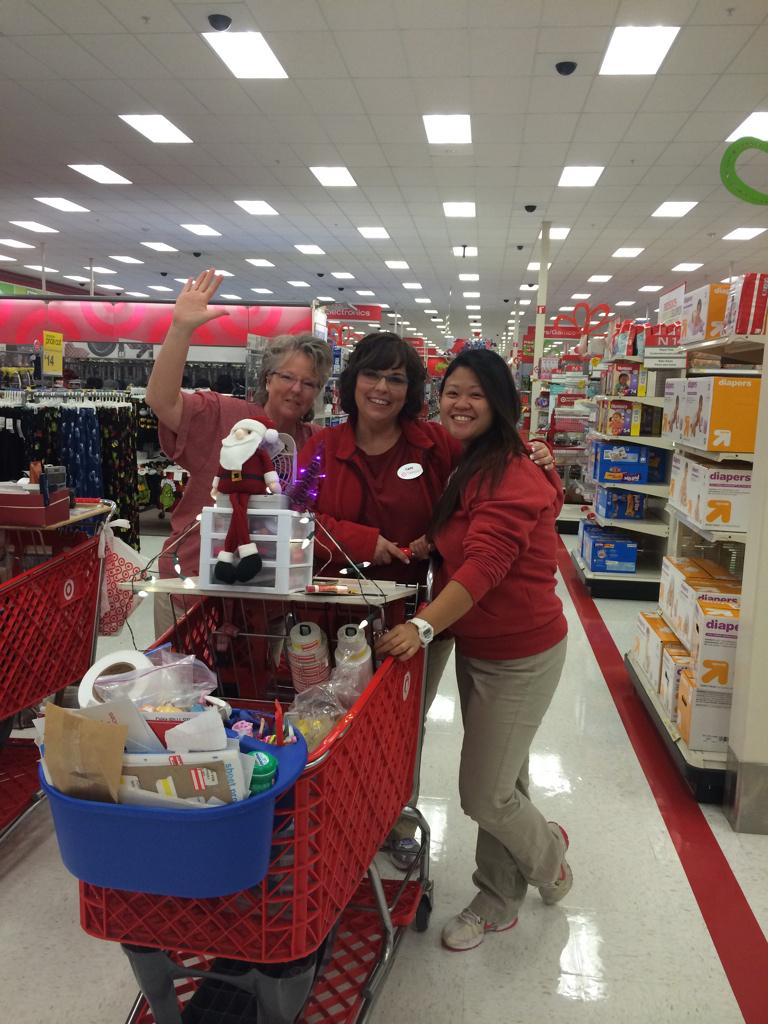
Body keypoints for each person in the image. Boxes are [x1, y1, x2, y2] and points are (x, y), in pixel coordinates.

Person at [299, 333, 556, 868]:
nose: (382, 388)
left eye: (397, 378)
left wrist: (541, 461)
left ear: (413, 390)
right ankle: (333, 817)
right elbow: (297, 520)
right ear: (351, 382)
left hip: (419, 617)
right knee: (327, 715)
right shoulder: (322, 447)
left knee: (400, 729)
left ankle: (395, 819)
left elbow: (499, 475)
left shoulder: (436, 444)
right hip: (331, 611)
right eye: (372, 374)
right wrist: (365, 541)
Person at [377, 348, 570, 952]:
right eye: (452, 392)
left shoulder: (512, 471)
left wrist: (423, 627)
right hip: (480, 643)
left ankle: (550, 861)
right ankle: (500, 892)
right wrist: (428, 542)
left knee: (485, 793)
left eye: (476, 394)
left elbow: (486, 563)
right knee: (504, 776)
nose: (460, 404)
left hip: (521, 652)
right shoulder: (473, 459)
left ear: (501, 403)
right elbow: (467, 530)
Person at [146, 269, 332, 636]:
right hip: (194, 582)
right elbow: (161, 400)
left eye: (309, 383)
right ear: (267, 378)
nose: (296, 389)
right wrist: (181, 329)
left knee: (257, 674)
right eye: (287, 377)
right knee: (181, 673)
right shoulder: (223, 415)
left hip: (269, 594)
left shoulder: (315, 442)